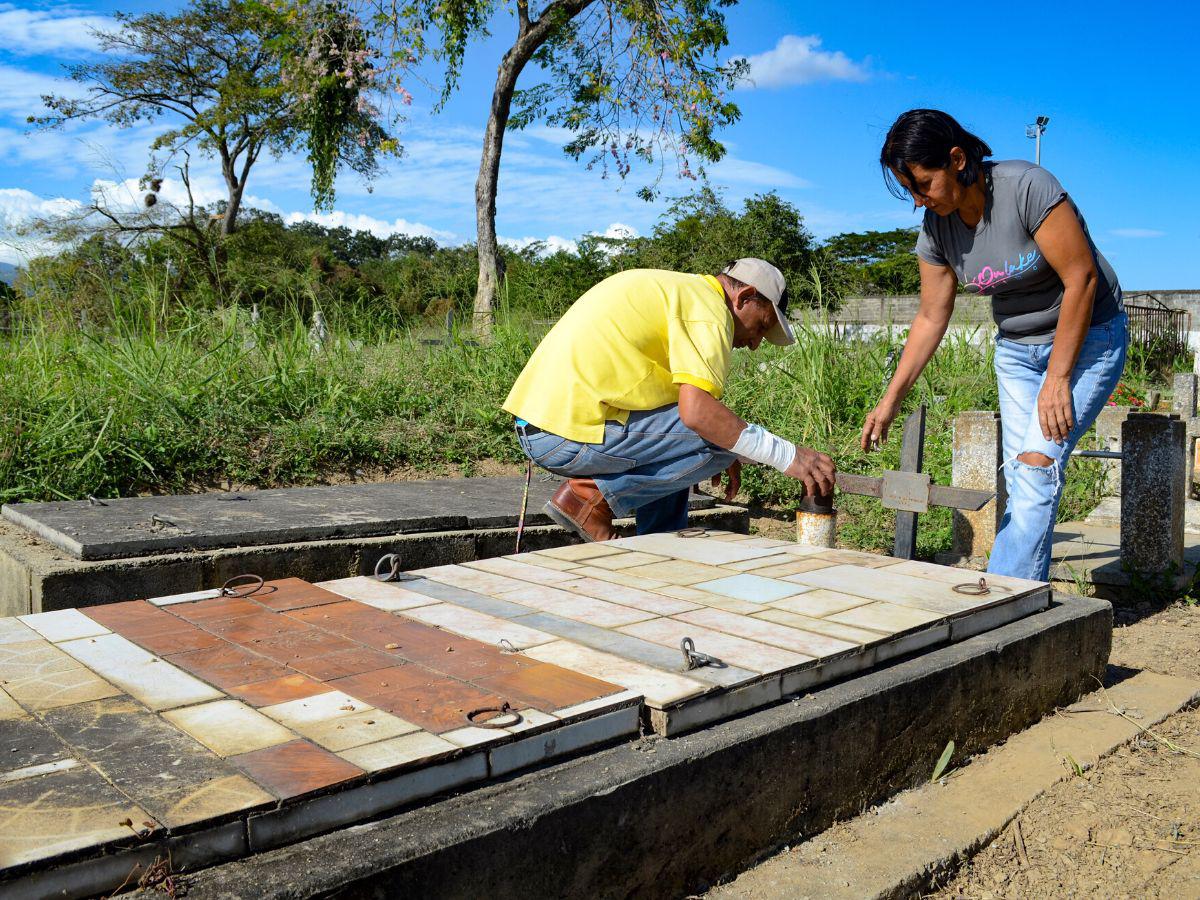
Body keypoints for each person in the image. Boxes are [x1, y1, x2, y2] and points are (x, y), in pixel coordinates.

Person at [862, 109, 1127, 581]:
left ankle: (1005, 595)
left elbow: (1081, 278)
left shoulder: (1027, 186)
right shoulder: (937, 230)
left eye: (923, 185)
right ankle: (1020, 595)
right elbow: (929, 317)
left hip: (1088, 339)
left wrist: (1059, 379)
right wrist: (889, 400)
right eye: (911, 192)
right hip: (1018, 351)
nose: (919, 201)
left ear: (957, 159)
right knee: (1026, 477)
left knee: (1035, 464)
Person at [503, 259, 837, 541]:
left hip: (544, 425)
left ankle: (658, 543)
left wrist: (723, 442)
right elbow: (697, 414)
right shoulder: (708, 310)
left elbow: (688, 415)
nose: (754, 344)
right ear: (745, 297)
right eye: (761, 327)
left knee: (712, 439)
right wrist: (785, 454)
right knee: (716, 439)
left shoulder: (680, 292)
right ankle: (587, 498)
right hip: (564, 435)